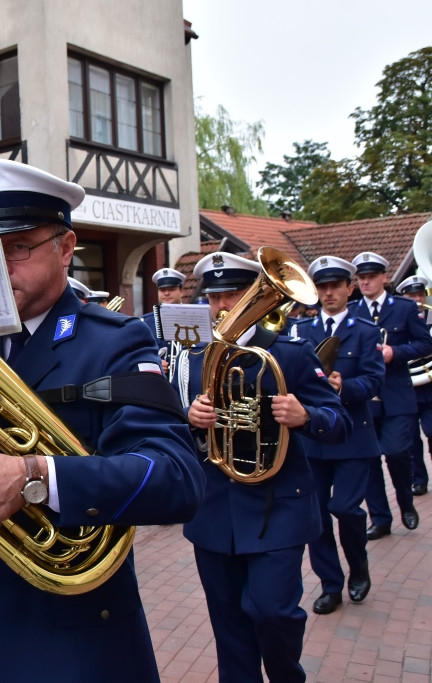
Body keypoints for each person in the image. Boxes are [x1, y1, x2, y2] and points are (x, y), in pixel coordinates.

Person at [0, 159, 205, 682]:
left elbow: (176, 478)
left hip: (68, 636)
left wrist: (33, 476)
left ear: (65, 247)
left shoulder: (116, 341)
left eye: (19, 247)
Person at [175, 251, 350, 682]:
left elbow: (339, 422)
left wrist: (306, 416)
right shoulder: (195, 357)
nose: (221, 306)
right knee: (229, 625)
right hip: (215, 510)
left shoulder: (289, 352)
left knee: (273, 612)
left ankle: (287, 675)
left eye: (232, 294)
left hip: (278, 507)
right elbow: (171, 430)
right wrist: (190, 419)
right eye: (214, 297)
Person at [292, 256, 384, 615]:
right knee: (315, 517)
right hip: (313, 440)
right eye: (322, 287)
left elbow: (375, 380)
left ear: (350, 288)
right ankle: (331, 584)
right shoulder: (301, 331)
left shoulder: (365, 330)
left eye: (335, 286)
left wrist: (345, 385)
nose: (328, 293)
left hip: (353, 439)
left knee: (345, 508)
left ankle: (358, 569)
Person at [350, 251, 432, 538]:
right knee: (369, 460)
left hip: (397, 394)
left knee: (398, 453)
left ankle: (406, 502)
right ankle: (380, 519)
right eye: (361, 278)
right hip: (363, 400)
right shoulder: (352, 312)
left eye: (371, 277)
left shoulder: (405, 308)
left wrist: (394, 352)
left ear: (385, 278)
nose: (366, 282)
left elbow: (425, 343)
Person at [395, 275, 432, 495]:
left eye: (420, 294)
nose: (417, 299)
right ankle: (419, 479)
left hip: (430, 386)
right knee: (410, 439)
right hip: (406, 386)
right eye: (412, 296)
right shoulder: (398, 321)